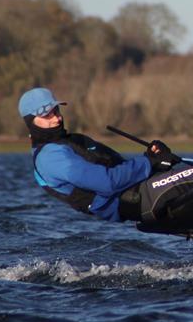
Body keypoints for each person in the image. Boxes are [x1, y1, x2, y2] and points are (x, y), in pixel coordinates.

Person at [19, 86, 179, 223]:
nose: (57, 118)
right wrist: (148, 162)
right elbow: (107, 182)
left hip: (139, 190)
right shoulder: (51, 157)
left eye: (56, 111)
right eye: (47, 115)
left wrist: (156, 161)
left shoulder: (74, 141)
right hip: (129, 202)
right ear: (31, 122)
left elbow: (120, 166)